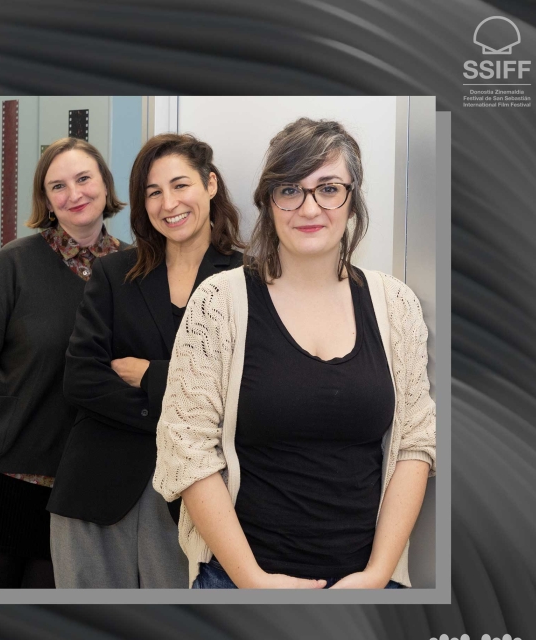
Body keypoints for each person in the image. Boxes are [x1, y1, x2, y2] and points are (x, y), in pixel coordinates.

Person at [154, 118, 436, 589]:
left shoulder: (395, 305)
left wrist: (377, 574)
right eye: (289, 190)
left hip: (368, 586)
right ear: (269, 202)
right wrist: (253, 581)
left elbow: (414, 444)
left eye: (328, 188)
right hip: (237, 584)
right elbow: (187, 448)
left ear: (352, 199)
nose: (309, 208)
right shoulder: (219, 303)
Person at [47, 133, 245, 588]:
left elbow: (243, 389)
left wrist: (151, 374)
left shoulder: (246, 281)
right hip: (95, 490)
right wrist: (185, 407)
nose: (168, 203)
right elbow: (81, 378)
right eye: (153, 192)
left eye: (180, 185)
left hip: (197, 496)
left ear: (210, 184)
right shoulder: (114, 273)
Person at [0, 137, 128, 588]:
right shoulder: (15, 262)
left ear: (105, 184)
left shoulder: (133, 269)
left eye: (83, 178)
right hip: (5, 479)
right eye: (58, 186)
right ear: (46, 200)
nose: (74, 193)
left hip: (82, 489)